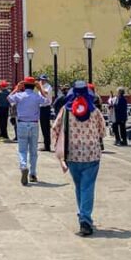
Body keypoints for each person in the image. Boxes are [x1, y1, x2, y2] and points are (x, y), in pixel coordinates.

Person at [51, 81, 106, 236]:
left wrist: (58, 144)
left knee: (79, 185)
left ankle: (83, 216)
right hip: (92, 154)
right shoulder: (94, 111)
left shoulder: (66, 110)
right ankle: (85, 220)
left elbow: (55, 128)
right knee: (88, 186)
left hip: (72, 154)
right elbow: (103, 131)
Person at [8, 77, 48, 185]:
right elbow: (47, 101)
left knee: (22, 150)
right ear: (34, 86)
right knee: (33, 151)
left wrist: (16, 88)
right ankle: (33, 173)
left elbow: (9, 98)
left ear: (24, 86)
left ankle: (23, 166)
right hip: (34, 124)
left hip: (22, 123)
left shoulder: (19, 96)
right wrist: (40, 90)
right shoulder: (36, 96)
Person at [38, 74, 53, 151]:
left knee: (46, 127)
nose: (41, 81)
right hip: (41, 108)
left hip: (46, 108)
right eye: (41, 80)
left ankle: (47, 146)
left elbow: (45, 93)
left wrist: (40, 86)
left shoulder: (48, 86)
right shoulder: (42, 87)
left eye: (42, 80)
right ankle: (46, 145)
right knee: (43, 128)